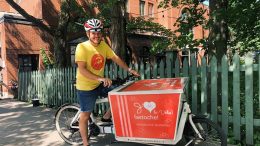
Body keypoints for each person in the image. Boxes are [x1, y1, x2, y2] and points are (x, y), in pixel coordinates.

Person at [75, 18, 140, 146]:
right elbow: (82, 69)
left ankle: (106, 116)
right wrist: (100, 78)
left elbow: (115, 58)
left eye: (99, 32)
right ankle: (85, 143)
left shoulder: (103, 45)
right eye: (93, 33)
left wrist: (129, 69)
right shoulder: (82, 47)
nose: (96, 35)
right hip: (86, 87)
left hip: (99, 83)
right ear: (88, 33)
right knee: (85, 116)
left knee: (118, 94)